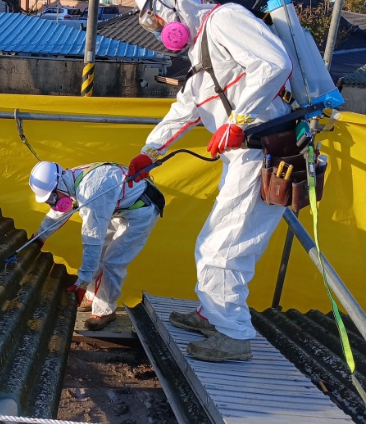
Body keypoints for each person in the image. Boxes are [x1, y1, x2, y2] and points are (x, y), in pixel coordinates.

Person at [128, 0, 293, 361]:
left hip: (261, 153)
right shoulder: (200, 51)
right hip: (243, 158)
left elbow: (274, 64)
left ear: (172, 6)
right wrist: (149, 153)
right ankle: (212, 314)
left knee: (224, 247)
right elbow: (185, 109)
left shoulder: (225, 19)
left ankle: (233, 334)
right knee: (217, 241)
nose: (160, 31)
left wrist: (238, 120)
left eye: (156, 20)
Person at [29, 161, 165, 331]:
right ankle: (92, 296)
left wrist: (82, 281)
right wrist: (39, 238)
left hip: (141, 211)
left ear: (59, 184)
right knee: (99, 255)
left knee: (113, 262)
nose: (52, 203)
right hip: (119, 207)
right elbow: (58, 212)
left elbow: (92, 240)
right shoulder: (70, 181)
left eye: (51, 198)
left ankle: (105, 310)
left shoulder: (92, 192)